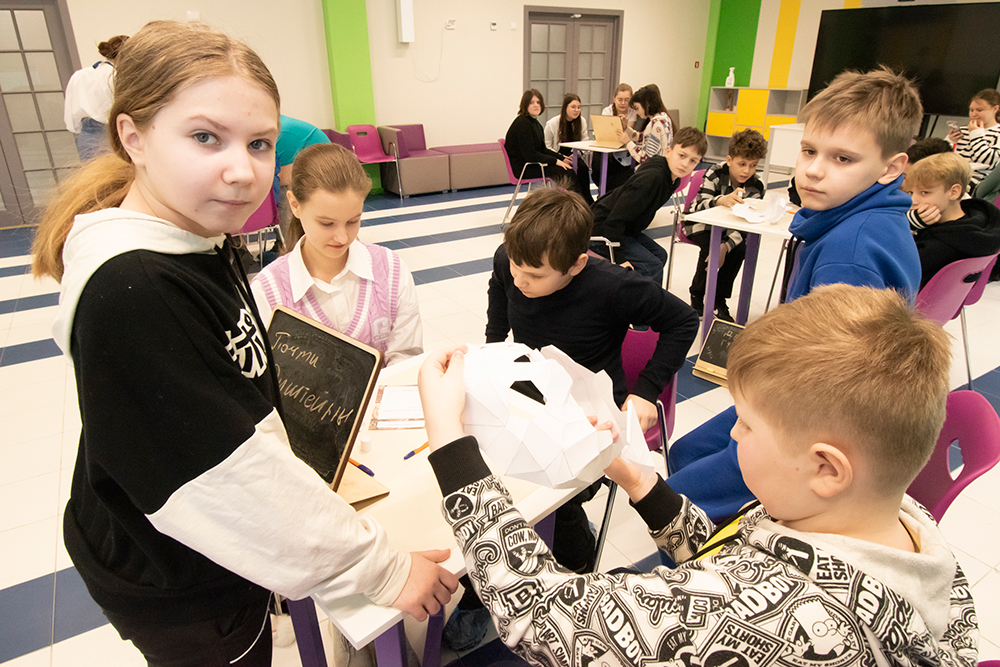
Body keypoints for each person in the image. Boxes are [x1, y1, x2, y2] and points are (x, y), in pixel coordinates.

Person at [31, 20, 455, 665]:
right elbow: (230, 479)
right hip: (182, 583)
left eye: (259, 143)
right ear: (133, 137)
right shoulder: (136, 289)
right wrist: (384, 570)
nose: (240, 170)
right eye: (205, 137)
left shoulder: (197, 239)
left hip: (214, 552)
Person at [418, 284, 977, 667]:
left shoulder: (791, 622)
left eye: (747, 424)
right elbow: (740, 557)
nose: (732, 432)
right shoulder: (897, 523)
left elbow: (542, 618)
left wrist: (449, 439)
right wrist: (632, 476)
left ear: (826, 468)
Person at [435, 187, 698, 652]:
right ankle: (539, 548)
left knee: (541, 496)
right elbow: (499, 297)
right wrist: (490, 352)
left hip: (589, 418)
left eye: (534, 275)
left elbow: (683, 321)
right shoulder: (511, 260)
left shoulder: (613, 285)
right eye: (515, 267)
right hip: (528, 395)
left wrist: (645, 390)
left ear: (576, 264)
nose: (519, 280)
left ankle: (543, 569)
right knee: (480, 473)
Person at [667, 66, 923, 521]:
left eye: (842, 159)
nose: (814, 170)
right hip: (798, 403)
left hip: (811, 425)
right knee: (687, 452)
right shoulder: (854, 222)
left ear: (890, 167)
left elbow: (827, 385)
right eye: (809, 150)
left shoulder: (850, 254)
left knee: (678, 501)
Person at [251, 143, 423, 367]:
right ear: (295, 205)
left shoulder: (391, 270)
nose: (342, 237)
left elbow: (406, 357)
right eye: (327, 223)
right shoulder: (268, 291)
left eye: (353, 221)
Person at [590, 127, 707, 286]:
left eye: (693, 161)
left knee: (660, 256)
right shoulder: (653, 178)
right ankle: (644, 301)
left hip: (623, 230)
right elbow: (614, 220)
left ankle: (637, 296)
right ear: (668, 151)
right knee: (652, 267)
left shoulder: (672, 178)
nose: (685, 164)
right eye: (682, 155)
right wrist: (619, 257)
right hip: (601, 230)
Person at [685, 128, 768, 321]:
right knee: (710, 247)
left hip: (732, 229)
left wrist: (726, 246)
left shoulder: (757, 186)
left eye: (753, 165)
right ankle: (697, 293)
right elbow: (697, 207)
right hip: (700, 223)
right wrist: (719, 200)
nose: (747, 171)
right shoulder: (715, 173)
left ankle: (718, 299)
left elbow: (745, 224)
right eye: (742, 164)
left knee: (738, 250)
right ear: (729, 160)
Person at [905, 151, 1000, 288]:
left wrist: (907, 225)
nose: (913, 201)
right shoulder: (978, 226)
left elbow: (892, 268)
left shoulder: (937, 248)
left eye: (925, 192)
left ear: (954, 192)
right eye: (910, 192)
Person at [63, 34, 128, 161]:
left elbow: (70, 116)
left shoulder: (79, 75)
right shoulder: (116, 77)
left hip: (85, 136)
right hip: (112, 133)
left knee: (94, 172)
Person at [273, 114, 331, 247]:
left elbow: (283, 179)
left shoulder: (281, 133)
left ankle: (290, 245)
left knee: (284, 193)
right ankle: (281, 242)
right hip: (308, 166)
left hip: (324, 169)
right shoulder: (273, 128)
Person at [503, 89, 574, 182]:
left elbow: (542, 149)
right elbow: (530, 155)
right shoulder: (522, 123)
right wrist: (556, 161)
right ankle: (573, 192)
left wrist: (562, 158)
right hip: (524, 168)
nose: (536, 105)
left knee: (572, 167)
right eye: (531, 102)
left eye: (538, 102)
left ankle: (580, 192)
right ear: (525, 105)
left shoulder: (535, 123)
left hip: (532, 164)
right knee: (566, 171)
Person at [543, 93, 594, 205]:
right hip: (556, 159)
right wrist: (561, 158)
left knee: (583, 168)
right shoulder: (552, 123)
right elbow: (546, 147)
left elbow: (584, 141)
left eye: (579, 107)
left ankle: (588, 199)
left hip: (574, 156)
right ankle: (577, 201)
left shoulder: (582, 121)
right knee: (570, 172)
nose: (576, 110)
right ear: (565, 107)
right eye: (573, 107)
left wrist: (577, 153)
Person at [948, 88, 1000, 188]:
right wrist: (950, 141)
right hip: (953, 176)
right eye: (971, 110)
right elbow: (945, 157)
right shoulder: (963, 131)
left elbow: (989, 161)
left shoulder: (997, 133)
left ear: (995, 109)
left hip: (977, 183)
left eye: (979, 110)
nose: (974, 114)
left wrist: (976, 135)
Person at [593, 83, 638, 192]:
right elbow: (606, 132)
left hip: (625, 148)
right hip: (608, 146)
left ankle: (607, 190)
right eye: (620, 99)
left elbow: (628, 132)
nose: (623, 103)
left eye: (626, 100)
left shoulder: (633, 112)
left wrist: (622, 125)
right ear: (614, 99)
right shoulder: (607, 111)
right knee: (598, 161)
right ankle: (602, 187)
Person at [616, 84, 673, 165]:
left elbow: (646, 159)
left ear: (646, 104)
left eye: (637, 108)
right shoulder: (664, 117)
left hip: (655, 168)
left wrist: (628, 142)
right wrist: (626, 128)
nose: (636, 112)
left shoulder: (656, 124)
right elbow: (642, 138)